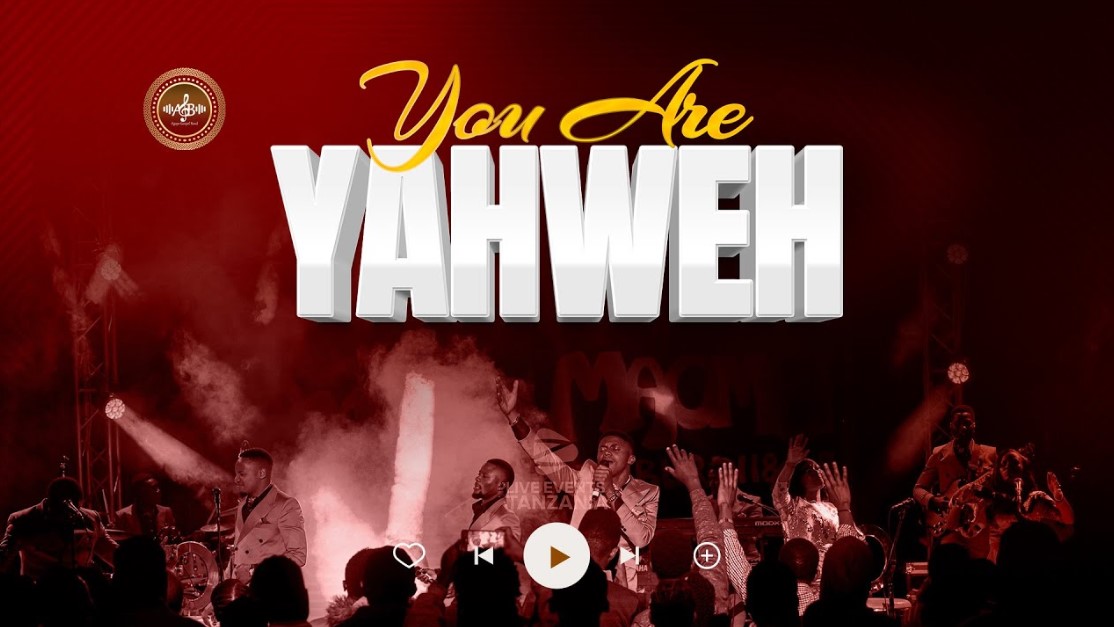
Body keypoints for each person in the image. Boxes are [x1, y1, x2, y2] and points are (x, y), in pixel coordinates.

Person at [497, 377, 659, 591]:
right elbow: (544, 457)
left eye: (615, 449)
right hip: (579, 572)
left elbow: (641, 539)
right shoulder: (584, 479)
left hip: (624, 582)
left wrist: (610, 491)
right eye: (603, 448)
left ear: (631, 459)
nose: (607, 452)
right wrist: (513, 417)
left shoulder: (648, 492)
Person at [772, 435, 863, 578]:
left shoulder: (833, 508)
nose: (817, 472)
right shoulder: (793, 506)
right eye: (810, 471)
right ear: (799, 479)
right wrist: (790, 465)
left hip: (832, 573)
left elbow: (852, 535)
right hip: (805, 574)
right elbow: (779, 492)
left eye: (818, 468)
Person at [912, 405, 997, 558]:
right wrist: (933, 501)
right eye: (958, 423)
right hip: (950, 530)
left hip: (978, 531)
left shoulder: (990, 454)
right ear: (951, 426)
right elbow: (918, 489)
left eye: (967, 423)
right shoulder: (939, 454)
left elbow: (999, 489)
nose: (963, 427)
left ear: (974, 425)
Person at [0, 477, 118, 580]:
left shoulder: (91, 518)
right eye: (62, 513)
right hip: (39, 590)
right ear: (52, 505)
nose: (67, 517)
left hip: (79, 589)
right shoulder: (23, 519)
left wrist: (128, 561)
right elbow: (3, 558)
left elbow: (110, 549)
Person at [229, 448, 307, 583]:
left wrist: (253, 571)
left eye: (242, 474)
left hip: (270, 590)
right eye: (236, 474)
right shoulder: (242, 505)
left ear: (262, 473)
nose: (236, 479)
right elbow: (240, 553)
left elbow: (298, 555)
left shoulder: (286, 505)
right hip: (242, 591)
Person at [467, 458, 522, 541]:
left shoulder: (507, 518)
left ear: (501, 486)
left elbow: (511, 546)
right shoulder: (482, 510)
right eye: (479, 474)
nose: (477, 478)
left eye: (485, 476)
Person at [115, 473, 177, 539]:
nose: (159, 491)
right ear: (141, 492)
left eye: (158, 487)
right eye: (154, 488)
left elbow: (172, 538)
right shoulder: (122, 516)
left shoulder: (167, 512)